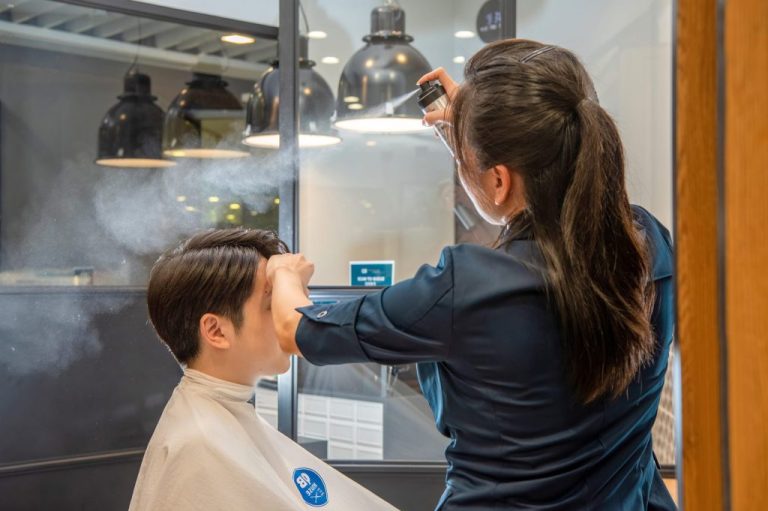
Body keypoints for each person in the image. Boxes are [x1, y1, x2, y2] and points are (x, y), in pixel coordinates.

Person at [267, 40, 676, 510]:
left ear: (499, 180)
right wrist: (482, 118)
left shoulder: (471, 287)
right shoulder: (648, 245)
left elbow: (295, 329)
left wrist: (285, 273)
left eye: (464, 162)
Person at [129, 228, 396, 511]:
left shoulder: (216, 418)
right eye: (273, 305)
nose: (290, 316)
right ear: (216, 330)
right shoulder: (197, 446)